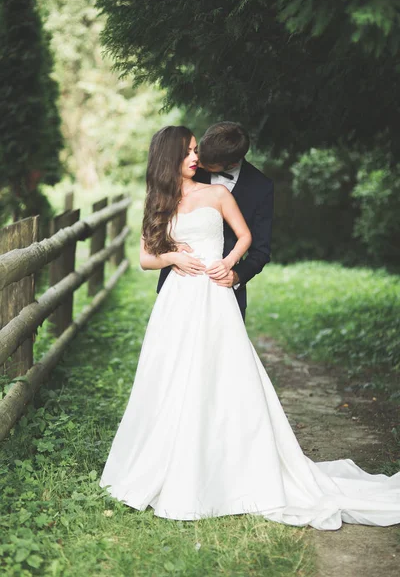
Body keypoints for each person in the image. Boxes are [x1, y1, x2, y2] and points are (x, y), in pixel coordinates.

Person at [99, 125, 400, 530]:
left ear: (232, 160)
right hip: (176, 302)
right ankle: (172, 460)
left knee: (226, 378)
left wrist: (231, 268)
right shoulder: (161, 198)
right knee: (170, 375)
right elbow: (145, 257)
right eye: (189, 152)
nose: (196, 160)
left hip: (217, 296)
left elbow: (250, 240)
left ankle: (231, 465)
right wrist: (173, 258)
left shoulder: (229, 192)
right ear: (172, 156)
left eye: (198, 153)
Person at [157, 121, 274, 321]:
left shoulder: (261, 187)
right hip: (179, 287)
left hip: (225, 293)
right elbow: (161, 225)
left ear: (232, 164)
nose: (197, 162)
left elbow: (261, 250)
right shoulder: (187, 170)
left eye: (205, 163)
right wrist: (171, 253)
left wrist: (236, 276)